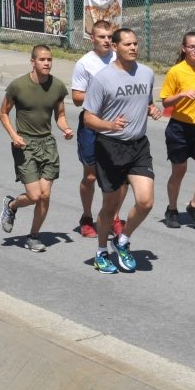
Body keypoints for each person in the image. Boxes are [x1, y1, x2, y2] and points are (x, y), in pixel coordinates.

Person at [82, 28, 162, 274]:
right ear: (115, 47)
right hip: (110, 146)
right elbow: (87, 118)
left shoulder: (147, 73)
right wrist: (109, 125)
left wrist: (152, 109)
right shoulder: (102, 79)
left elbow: (145, 101)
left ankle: (123, 239)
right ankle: (101, 251)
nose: (133, 48)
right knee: (110, 205)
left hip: (138, 146)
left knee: (146, 202)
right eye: (127, 44)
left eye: (136, 43)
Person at [0, 45, 73, 252]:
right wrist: (14, 136)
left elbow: (61, 115)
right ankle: (11, 206)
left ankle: (33, 236)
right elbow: (3, 113)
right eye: (42, 59)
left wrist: (65, 128)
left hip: (47, 145)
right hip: (25, 145)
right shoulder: (18, 86)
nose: (47, 63)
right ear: (33, 62)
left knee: (45, 195)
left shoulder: (57, 86)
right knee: (34, 195)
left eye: (49, 59)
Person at [70, 20, 125, 239]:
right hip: (91, 125)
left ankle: (114, 217)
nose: (107, 41)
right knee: (91, 176)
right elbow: (76, 97)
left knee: (118, 176)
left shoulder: (119, 59)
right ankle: (86, 216)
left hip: (115, 124)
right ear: (92, 38)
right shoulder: (85, 63)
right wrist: (101, 94)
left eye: (110, 36)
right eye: (102, 37)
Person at [160, 31, 195, 229]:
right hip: (179, 128)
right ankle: (172, 209)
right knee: (179, 171)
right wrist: (182, 94)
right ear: (184, 49)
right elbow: (165, 100)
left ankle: (194, 206)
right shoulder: (176, 72)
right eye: (192, 47)